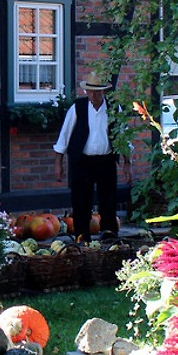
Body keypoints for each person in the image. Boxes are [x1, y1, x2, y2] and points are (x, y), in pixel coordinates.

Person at [53, 73, 129, 237]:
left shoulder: (114, 108)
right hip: (82, 161)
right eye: (90, 92)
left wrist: (127, 165)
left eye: (97, 92)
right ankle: (82, 235)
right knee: (81, 200)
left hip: (106, 160)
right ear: (86, 92)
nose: (94, 95)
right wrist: (58, 164)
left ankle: (109, 234)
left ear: (104, 92)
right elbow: (64, 137)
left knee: (108, 200)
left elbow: (123, 138)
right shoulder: (77, 108)